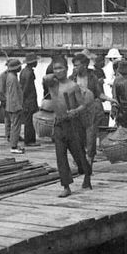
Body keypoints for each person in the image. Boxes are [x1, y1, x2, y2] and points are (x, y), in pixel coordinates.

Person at [44, 56, 92, 197]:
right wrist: (55, 70)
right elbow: (46, 77)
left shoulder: (73, 86)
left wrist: (75, 111)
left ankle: (87, 176)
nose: (58, 71)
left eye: (61, 68)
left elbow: (83, 105)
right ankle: (66, 186)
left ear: (67, 69)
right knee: (61, 156)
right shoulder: (52, 84)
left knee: (78, 154)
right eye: (55, 69)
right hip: (58, 123)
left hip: (72, 124)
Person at [71, 52, 115, 164]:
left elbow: (99, 94)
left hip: (91, 110)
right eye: (74, 65)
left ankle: (89, 158)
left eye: (77, 65)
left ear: (84, 65)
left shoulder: (92, 77)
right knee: (77, 136)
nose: (75, 68)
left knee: (91, 136)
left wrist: (111, 100)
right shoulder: (71, 78)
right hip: (76, 111)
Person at [5, 59, 25, 154]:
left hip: (10, 105)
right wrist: (18, 106)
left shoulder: (10, 76)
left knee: (14, 126)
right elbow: (14, 94)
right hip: (14, 106)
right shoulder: (13, 78)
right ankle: (13, 146)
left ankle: (14, 144)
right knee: (16, 127)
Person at [20, 52, 40, 147]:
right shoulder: (29, 73)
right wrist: (24, 100)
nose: (37, 63)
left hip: (27, 100)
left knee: (29, 120)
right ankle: (29, 140)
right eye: (35, 61)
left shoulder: (24, 71)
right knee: (29, 121)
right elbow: (26, 88)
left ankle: (29, 139)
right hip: (29, 100)